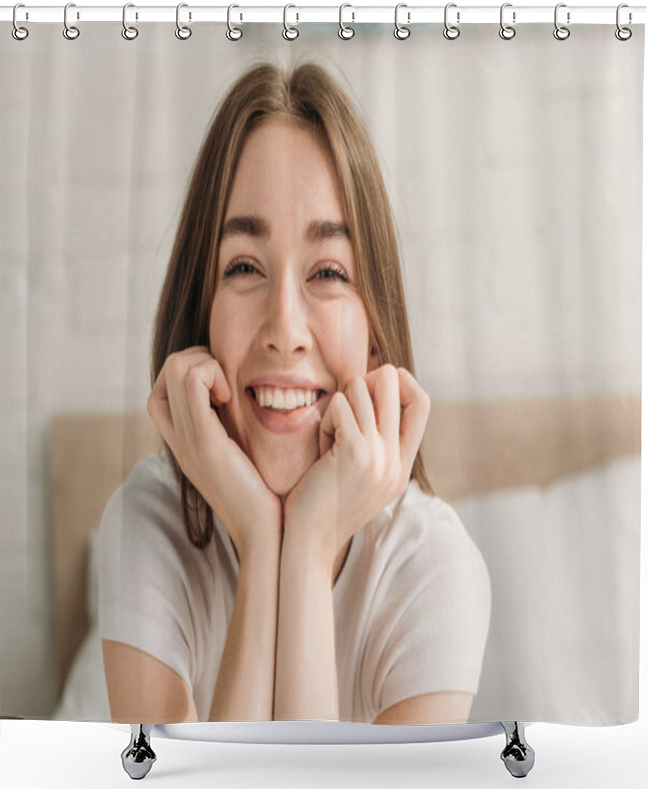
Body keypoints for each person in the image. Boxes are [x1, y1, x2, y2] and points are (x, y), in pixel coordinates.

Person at [98, 61, 491, 725]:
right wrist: (258, 537)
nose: (284, 331)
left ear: (375, 335)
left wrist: (307, 549)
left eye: (329, 272)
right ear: (203, 315)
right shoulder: (149, 524)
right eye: (245, 267)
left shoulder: (432, 569)